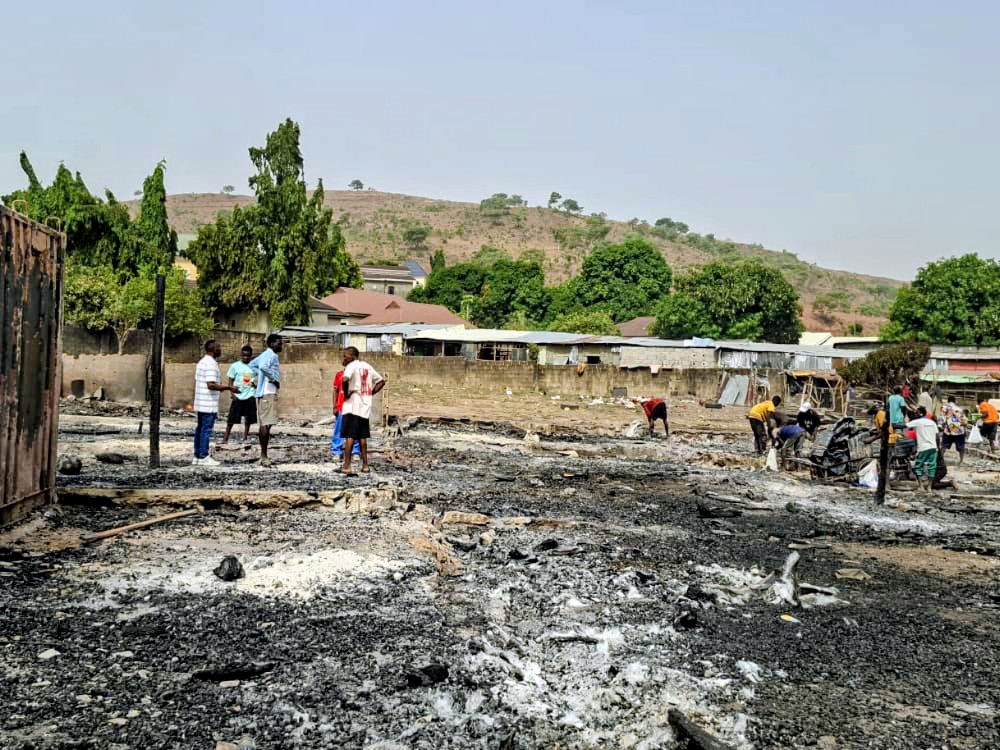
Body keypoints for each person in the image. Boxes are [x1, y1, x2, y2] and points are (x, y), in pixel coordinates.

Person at [339, 347, 386, 474]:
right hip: (365, 404)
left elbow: (344, 379)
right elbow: (381, 381)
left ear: (352, 356)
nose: (344, 359)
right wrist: (370, 393)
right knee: (362, 436)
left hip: (353, 403)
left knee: (350, 435)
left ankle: (347, 465)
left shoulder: (351, 365)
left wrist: (347, 393)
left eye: (345, 356)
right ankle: (365, 465)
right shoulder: (367, 366)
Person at [193, 340, 238, 467]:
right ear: (213, 349)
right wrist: (229, 388)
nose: (221, 349)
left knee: (200, 429)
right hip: (208, 403)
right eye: (219, 347)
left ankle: (197, 456)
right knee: (206, 429)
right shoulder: (211, 364)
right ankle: (203, 456)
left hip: (201, 402)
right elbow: (211, 385)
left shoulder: (202, 361)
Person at [249, 333, 283, 467]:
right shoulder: (271, 355)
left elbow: (252, 365)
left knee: (266, 423)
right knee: (265, 424)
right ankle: (263, 456)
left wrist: (259, 378)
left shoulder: (264, 355)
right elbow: (263, 367)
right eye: (279, 343)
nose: (281, 345)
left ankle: (264, 456)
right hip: (267, 393)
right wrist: (274, 378)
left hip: (266, 393)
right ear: (272, 343)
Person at [222, 345, 258, 447]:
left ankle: (245, 437)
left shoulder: (254, 367)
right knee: (232, 418)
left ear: (251, 356)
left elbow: (258, 378)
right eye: (243, 356)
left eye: (248, 356)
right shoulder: (235, 366)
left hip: (250, 394)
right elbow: (230, 379)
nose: (245, 358)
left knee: (249, 418)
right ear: (241, 355)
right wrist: (232, 393)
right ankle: (226, 437)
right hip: (238, 395)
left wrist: (255, 385)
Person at [906, 406, 939, 491]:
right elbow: (937, 435)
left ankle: (921, 486)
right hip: (933, 447)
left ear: (920, 413)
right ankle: (929, 487)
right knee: (932, 467)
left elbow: (905, 426)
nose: (915, 414)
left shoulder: (917, 422)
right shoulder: (932, 422)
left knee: (918, 466)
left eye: (916, 412)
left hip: (923, 447)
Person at [330, 369, 361, 459]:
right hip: (341, 407)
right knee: (339, 429)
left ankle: (355, 451)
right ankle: (337, 451)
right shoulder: (339, 374)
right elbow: (335, 390)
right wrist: (334, 406)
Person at [938, 396, 968, 466]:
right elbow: (964, 421)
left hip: (948, 430)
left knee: (943, 446)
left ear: (948, 401)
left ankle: (940, 461)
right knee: (961, 447)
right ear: (954, 401)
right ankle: (961, 461)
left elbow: (942, 420)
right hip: (959, 431)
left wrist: (941, 426)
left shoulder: (944, 408)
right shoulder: (959, 409)